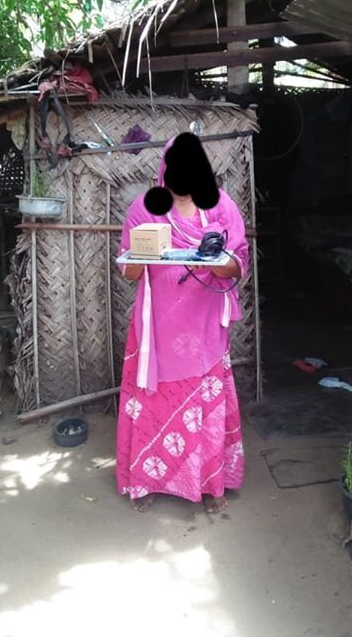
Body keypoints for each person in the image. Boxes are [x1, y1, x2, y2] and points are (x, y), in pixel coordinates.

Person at [116, 133, 248, 513]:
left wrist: (216, 262)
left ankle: (210, 483)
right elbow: (128, 271)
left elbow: (238, 263)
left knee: (205, 406)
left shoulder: (221, 207)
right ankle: (147, 480)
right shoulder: (145, 209)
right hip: (158, 332)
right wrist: (143, 254)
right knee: (153, 404)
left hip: (203, 330)